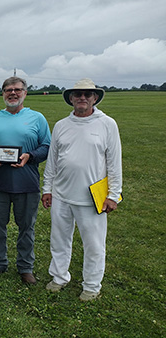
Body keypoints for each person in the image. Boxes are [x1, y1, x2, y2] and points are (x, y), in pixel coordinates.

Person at [42, 78, 122, 301]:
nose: (82, 98)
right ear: (71, 99)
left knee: (94, 244)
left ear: (95, 98)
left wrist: (113, 195)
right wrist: (47, 189)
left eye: (88, 94)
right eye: (78, 94)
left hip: (92, 198)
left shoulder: (107, 124)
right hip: (61, 195)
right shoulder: (61, 125)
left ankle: (92, 285)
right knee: (58, 240)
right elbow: (53, 161)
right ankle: (58, 277)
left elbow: (115, 163)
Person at [0, 76, 51, 285]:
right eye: (8, 90)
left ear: (25, 93)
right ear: (3, 94)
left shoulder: (37, 118)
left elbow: (46, 146)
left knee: (26, 227)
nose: (13, 93)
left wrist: (30, 157)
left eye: (17, 89)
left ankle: (25, 267)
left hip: (27, 183)